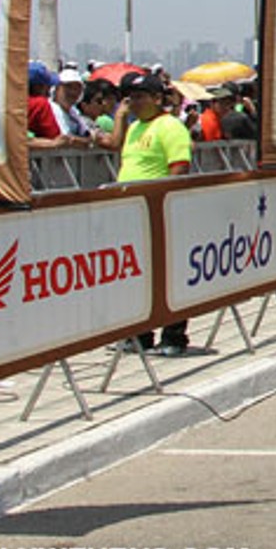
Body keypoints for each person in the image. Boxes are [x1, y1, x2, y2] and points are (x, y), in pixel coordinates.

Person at [110, 71, 192, 355]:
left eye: (140, 97)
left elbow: (179, 166)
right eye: (130, 97)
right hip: (131, 214)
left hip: (159, 211)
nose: (133, 102)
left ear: (158, 99)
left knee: (169, 275)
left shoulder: (170, 126)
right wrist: (120, 119)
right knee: (138, 277)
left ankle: (173, 336)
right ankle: (140, 334)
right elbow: (115, 147)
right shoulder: (134, 128)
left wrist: (164, 201)